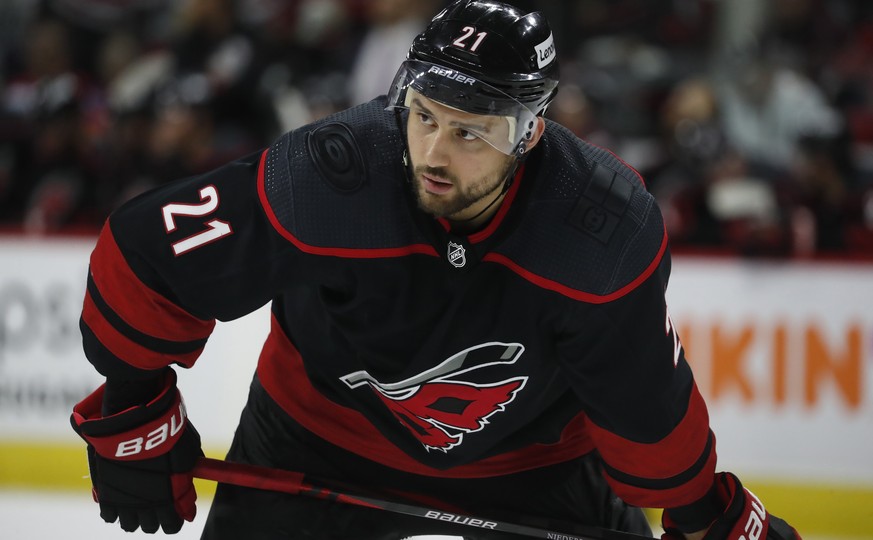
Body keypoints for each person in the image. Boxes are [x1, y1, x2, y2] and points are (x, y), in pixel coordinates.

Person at [69, 1, 802, 539]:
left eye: (470, 131)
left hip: (535, 467)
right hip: (312, 438)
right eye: (423, 115)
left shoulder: (598, 226)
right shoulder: (332, 175)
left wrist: (700, 510)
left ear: (531, 131)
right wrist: (134, 408)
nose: (434, 153)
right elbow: (147, 254)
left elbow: (640, 395)